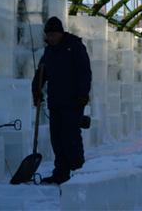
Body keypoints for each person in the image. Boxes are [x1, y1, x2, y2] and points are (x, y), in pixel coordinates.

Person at [31, 16, 92, 185]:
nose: (51, 38)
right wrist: (36, 91)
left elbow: (84, 72)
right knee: (56, 139)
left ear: (61, 33)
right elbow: (41, 73)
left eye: (53, 35)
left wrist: (83, 95)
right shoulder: (49, 51)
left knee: (71, 137)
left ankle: (78, 171)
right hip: (55, 102)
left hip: (73, 102)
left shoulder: (75, 47)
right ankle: (61, 172)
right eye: (48, 35)